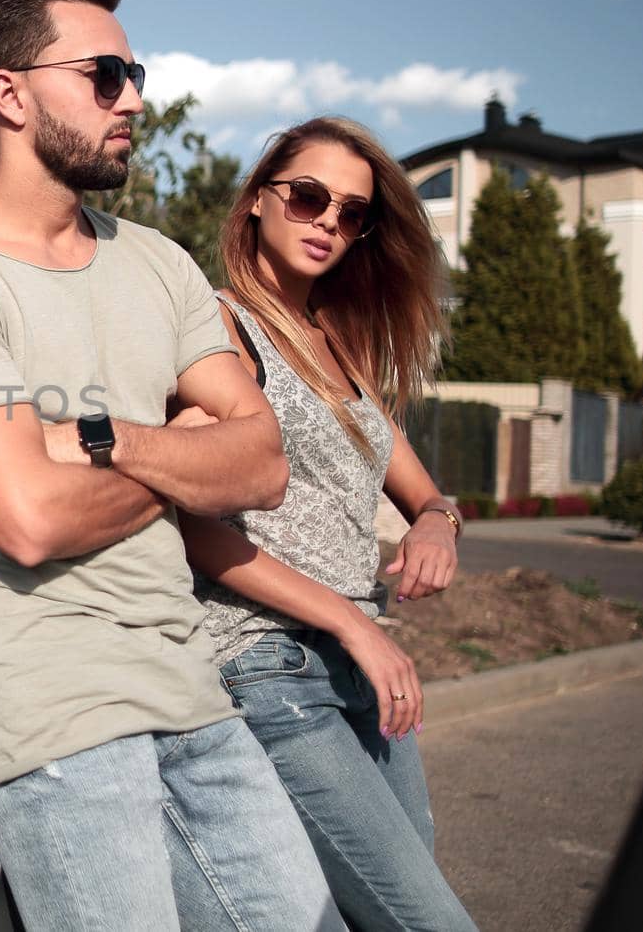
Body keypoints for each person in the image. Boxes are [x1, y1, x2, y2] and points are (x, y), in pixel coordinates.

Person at [0, 0, 344, 932]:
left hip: (186, 685)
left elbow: (261, 462)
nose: (132, 100)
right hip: (45, 708)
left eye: (135, 76)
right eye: (104, 76)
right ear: (9, 94)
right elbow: (31, 519)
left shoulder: (159, 264)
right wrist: (181, 451)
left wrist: (99, 437)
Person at [178, 115, 480, 931]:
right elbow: (197, 528)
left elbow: (428, 494)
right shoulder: (221, 332)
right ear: (256, 203)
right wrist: (354, 622)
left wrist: (436, 526)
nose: (329, 224)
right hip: (269, 661)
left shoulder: (339, 348)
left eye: (351, 213)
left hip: (358, 664)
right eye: (309, 198)